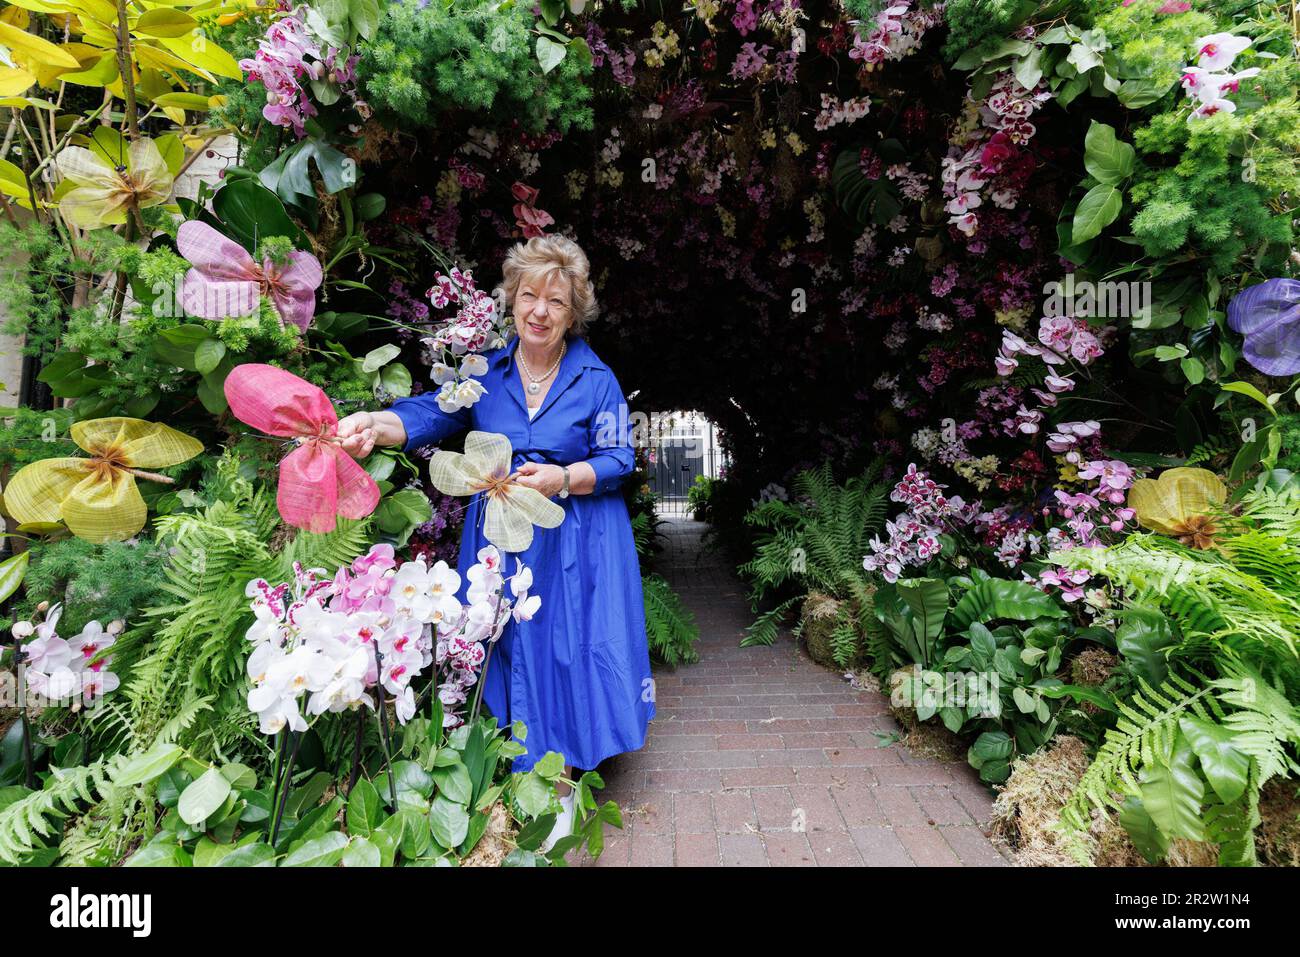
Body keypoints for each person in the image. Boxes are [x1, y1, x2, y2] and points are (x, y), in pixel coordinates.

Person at [335, 235, 655, 851]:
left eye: (555, 301)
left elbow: (620, 457)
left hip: (573, 538)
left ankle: (559, 773)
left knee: (565, 646)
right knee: (504, 646)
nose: (539, 310)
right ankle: (511, 765)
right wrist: (374, 425)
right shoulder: (486, 372)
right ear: (511, 302)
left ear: (573, 311)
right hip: (500, 537)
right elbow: (433, 412)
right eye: (528, 295)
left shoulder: (596, 378)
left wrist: (563, 477)